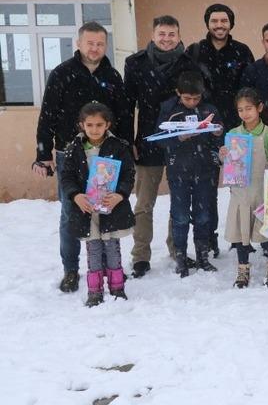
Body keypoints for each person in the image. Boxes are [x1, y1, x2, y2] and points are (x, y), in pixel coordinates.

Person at [33, 21, 131, 293]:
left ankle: (109, 268)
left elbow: (122, 115)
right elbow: (48, 114)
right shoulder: (62, 73)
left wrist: (126, 147)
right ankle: (72, 270)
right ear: (79, 43)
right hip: (71, 154)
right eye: (90, 42)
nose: (95, 48)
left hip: (107, 157)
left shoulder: (112, 76)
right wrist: (44, 153)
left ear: (105, 45)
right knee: (72, 212)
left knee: (106, 211)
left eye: (100, 43)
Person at [125, 15, 200, 278]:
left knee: (179, 201)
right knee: (144, 203)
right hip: (148, 141)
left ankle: (177, 248)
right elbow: (127, 106)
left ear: (179, 36)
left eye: (171, 34)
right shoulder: (135, 64)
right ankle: (140, 256)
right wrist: (128, 140)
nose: (166, 39)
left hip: (180, 143)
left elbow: (195, 102)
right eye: (162, 34)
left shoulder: (189, 64)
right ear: (153, 34)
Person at [187, 3, 254, 258]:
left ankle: (241, 237)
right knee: (206, 188)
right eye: (214, 21)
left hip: (236, 129)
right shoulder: (195, 52)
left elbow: (247, 89)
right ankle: (208, 238)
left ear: (231, 24)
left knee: (239, 187)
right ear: (207, 23)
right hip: (205, 130)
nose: (219, 25)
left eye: (224, 21)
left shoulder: (241, 51)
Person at [60, 103, 135, 307]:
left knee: (112, 247)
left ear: (107, 125)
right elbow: (66, 177)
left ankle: (117, 287)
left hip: (110, 208)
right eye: (90, 124)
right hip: (87, 210)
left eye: (99, 125)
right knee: (93, 248)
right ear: (81, 125)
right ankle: (94, 291)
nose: (94, 129)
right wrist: (76, 196)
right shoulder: (73, 148)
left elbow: (129, 174)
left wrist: (120, 195)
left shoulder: (117, 146)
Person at [157, 71, 223, 278]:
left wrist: (218, 134)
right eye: (187, 98)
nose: (192, 102)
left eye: (196, 98)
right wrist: (178, 139)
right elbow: (158, 138)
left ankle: (203, 256)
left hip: (205, 170)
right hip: (178, 172)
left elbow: (221, 136)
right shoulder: (169, 110)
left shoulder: (209, 109)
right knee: (180, 216)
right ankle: (181, 257)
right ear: (178, 93)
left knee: (203, 215)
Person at [219, 88, 268, 288]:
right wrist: (224, 154)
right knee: (241, 231)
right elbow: (227, 163)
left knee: (267, 232)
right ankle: (243, 269)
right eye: (240, 110)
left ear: (259, 108)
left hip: (263, 190)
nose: (245, 113)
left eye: (249, 108)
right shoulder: (233, 134)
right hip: (241, 192)